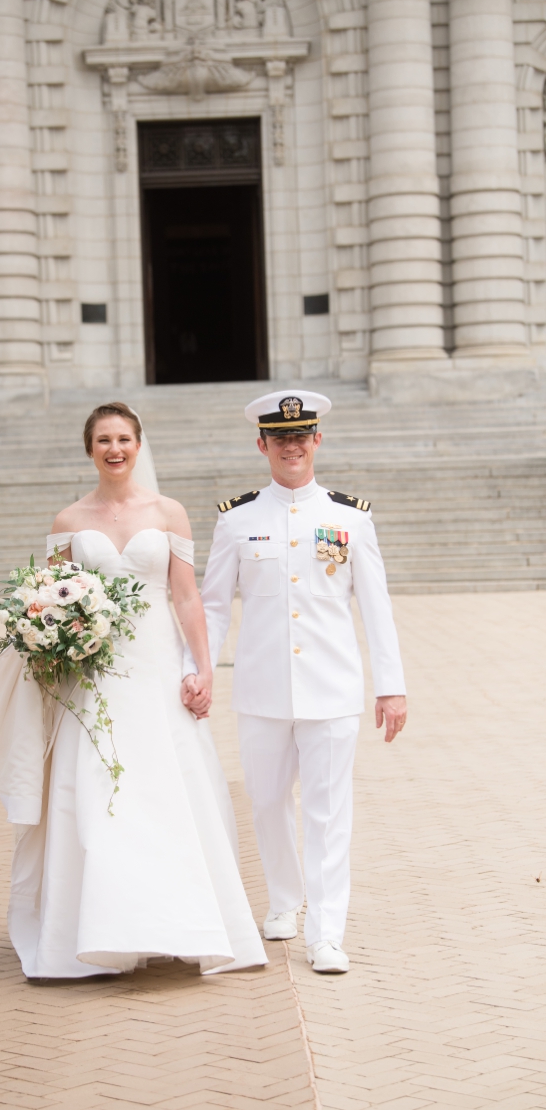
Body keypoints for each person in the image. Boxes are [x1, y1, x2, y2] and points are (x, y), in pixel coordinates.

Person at [0, 402, 266, 979]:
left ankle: (184, 921)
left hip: (156, 668)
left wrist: (203, 668)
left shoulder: (169, 512)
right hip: (94, 675)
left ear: (138, 444)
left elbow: (186, 598)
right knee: (99, 790)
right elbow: (46, 600)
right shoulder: (68, 522)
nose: (115, 448)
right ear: (90, 449)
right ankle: (100, 928)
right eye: (103, 439)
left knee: (167, 786)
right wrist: (52, 642)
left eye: (124, 438)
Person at [199, 390, 406, 975]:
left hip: (332, 689)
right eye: (279, 438)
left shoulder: (350, 517)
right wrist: (202, 672)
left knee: (328, 812)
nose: (292, 446)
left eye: (301, 436)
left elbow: (376, 606)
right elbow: (213, 607)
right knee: (266, 804)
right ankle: (285, 902)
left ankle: (327, 933)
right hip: (262, 691)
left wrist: (390, 686)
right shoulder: (236, 519)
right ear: (262, 444)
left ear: (317, 440)